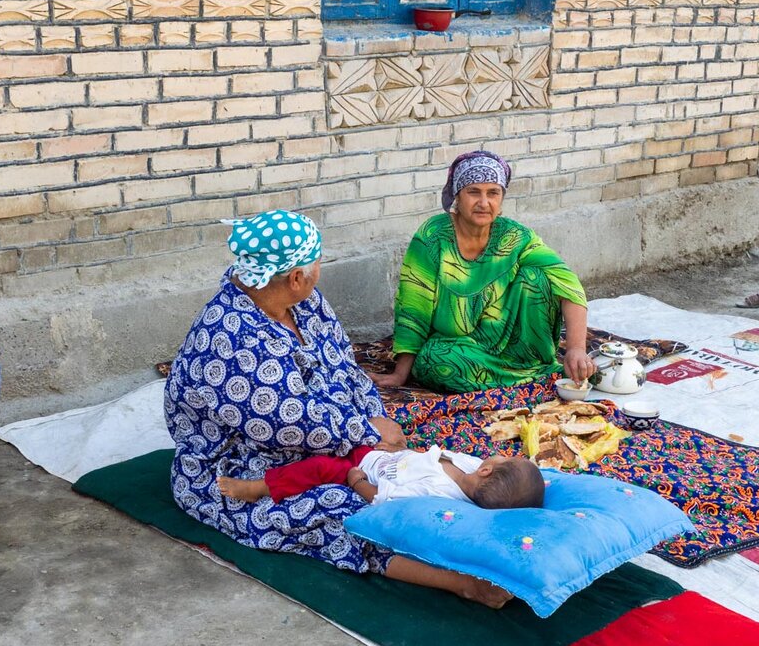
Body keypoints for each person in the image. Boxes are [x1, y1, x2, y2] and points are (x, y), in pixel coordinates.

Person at [165, 210, 512, 608]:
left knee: (418, 473)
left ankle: (465, 537)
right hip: (244, 466)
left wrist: (373, 420)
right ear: (296, 276)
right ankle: (461, 582)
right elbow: (285, 423)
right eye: (317, 263)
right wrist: (365, 430)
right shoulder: (232, 337)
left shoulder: (303, 302)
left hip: (334, 440)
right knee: (351, 509)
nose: (318, 271)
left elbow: (343, 365)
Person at [372, 151, 597, 394]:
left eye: (493, 193)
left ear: (501, 199)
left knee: (538, 277)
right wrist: (400, 373)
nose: (484, 202)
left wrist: (576, 348)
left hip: (512, 347)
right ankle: (538, 379)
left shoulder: (514, 236)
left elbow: (568, 284)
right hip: (457, 346)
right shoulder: (433, 236)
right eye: (473, 192)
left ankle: (529, 371)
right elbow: (414, 306)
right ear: (457, 196)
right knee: (433, 361)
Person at [219, 448, 545, 510]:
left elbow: (382, 497)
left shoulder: (437, 491)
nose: (499, 453)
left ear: (488, 471)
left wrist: (356, 479)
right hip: (385, 453)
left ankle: (258, 489)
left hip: (365, 468)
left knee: (318, 467)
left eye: (506, 457)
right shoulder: (470, 466)